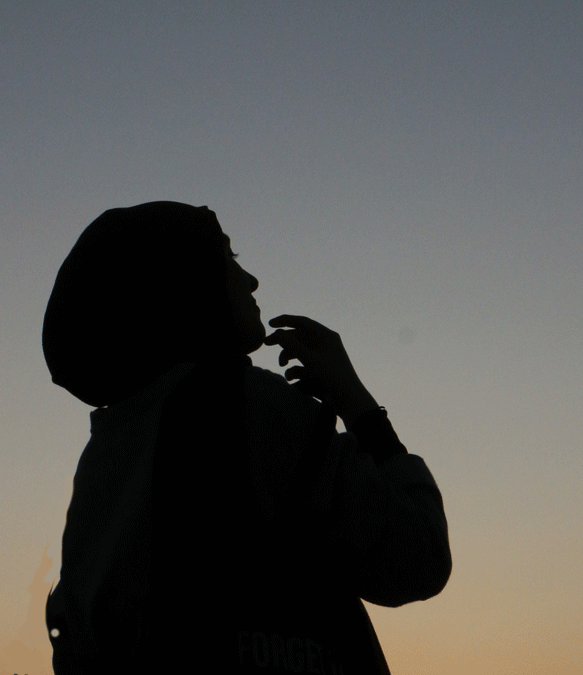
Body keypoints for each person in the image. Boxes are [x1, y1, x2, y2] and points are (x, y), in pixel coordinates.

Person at [42, 201, 450, 674]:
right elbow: (416, 558)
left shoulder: (104, 460)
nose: (251, 280)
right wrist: (357, 405)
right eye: (228, 258)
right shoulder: (257, 408)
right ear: (184, 283)